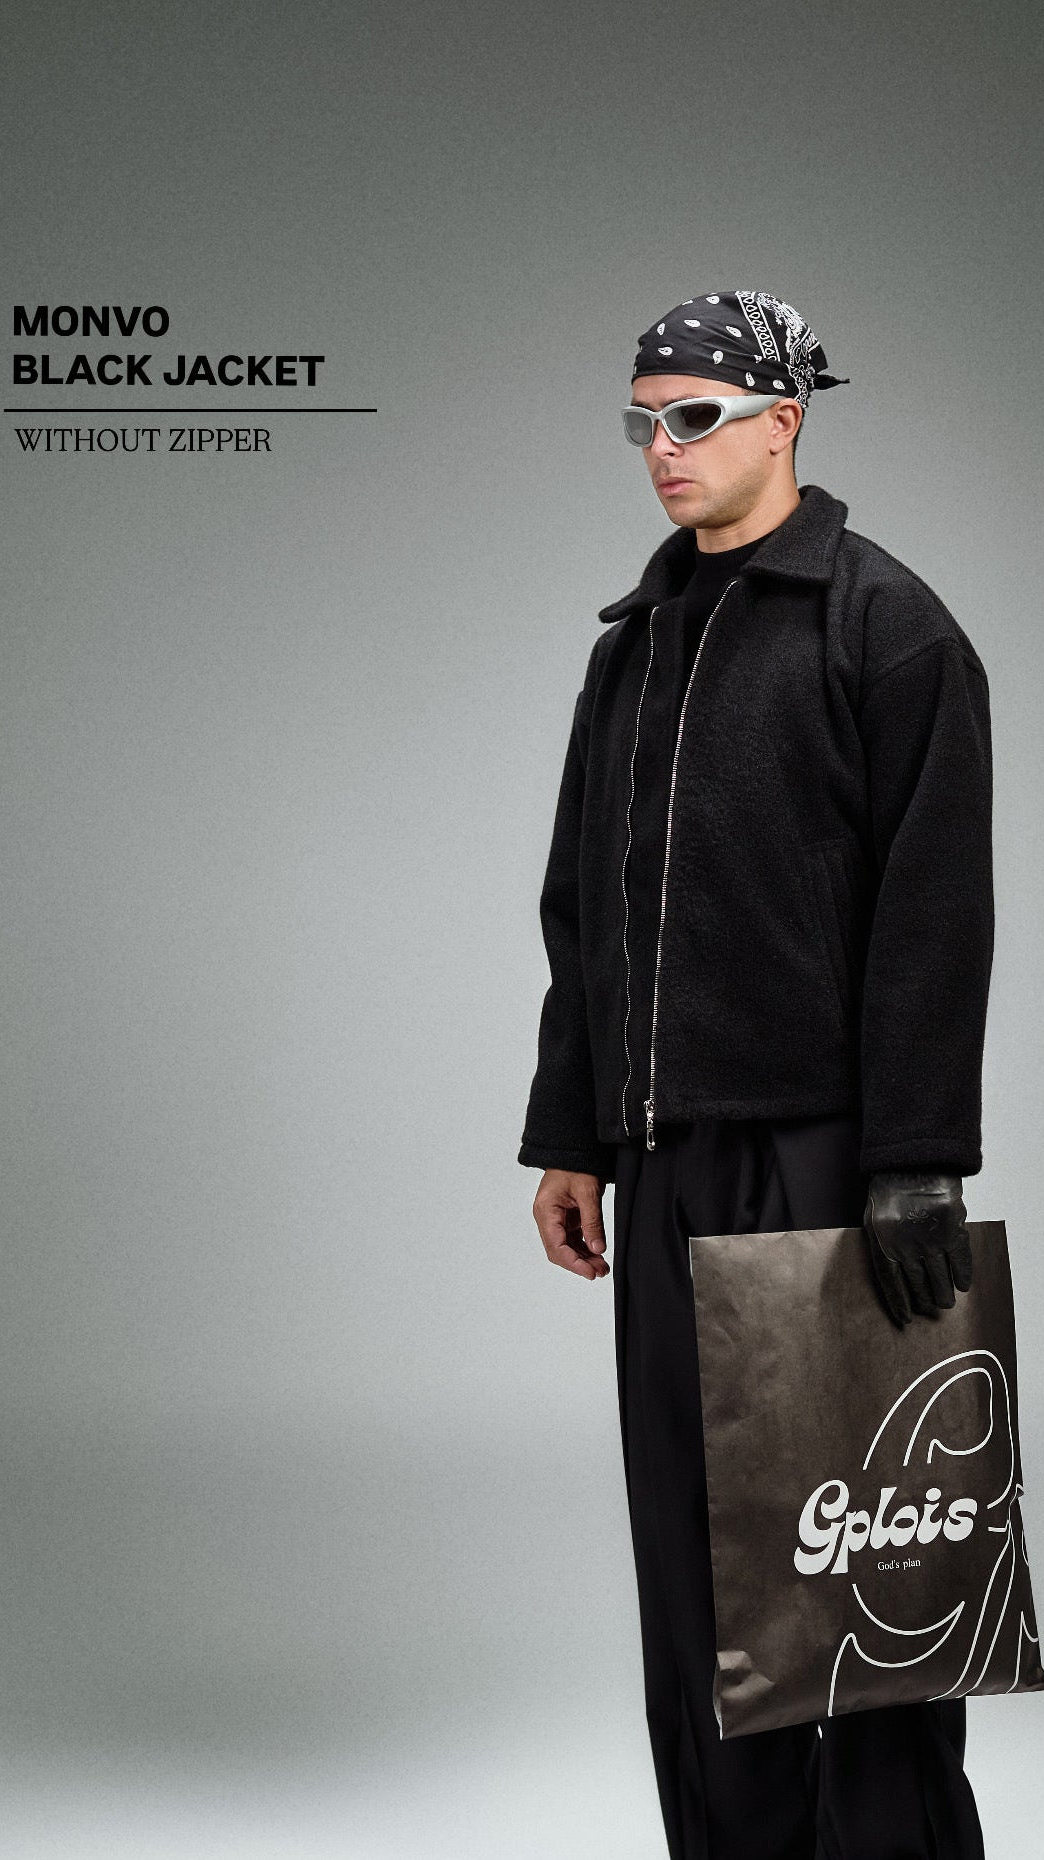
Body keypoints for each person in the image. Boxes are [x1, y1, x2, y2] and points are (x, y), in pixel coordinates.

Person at [517, 289, 994, 1859]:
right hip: (665, 1167)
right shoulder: (634, 649)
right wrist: (573, 1133)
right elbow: (583, 907)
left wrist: (917, 1155)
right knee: (703, 1570)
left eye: (695, 415)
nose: (662, 446)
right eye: (643, 419)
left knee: (862, 1569)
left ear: (783, 421)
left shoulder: (887, 628)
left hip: (832, 1167)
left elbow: (935, 906)